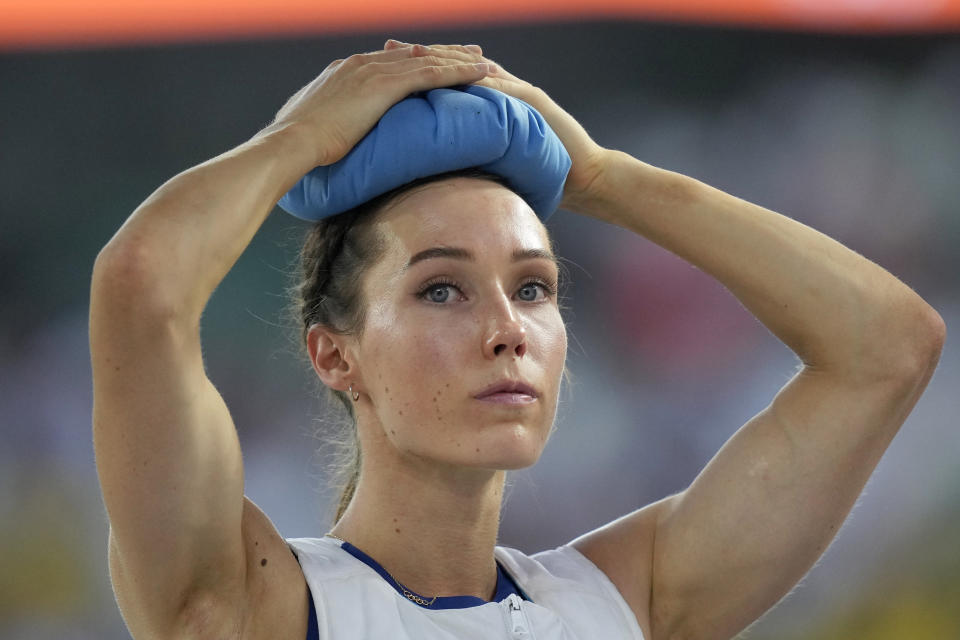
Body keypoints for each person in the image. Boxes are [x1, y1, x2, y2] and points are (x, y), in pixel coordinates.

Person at [89, 40, 944, 640]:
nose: (507, 329)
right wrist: (297, 142)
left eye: (533, 286)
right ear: (333, 354)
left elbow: (888, 346)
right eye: (441, 289)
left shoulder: (626, 603)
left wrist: (608, 178)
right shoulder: (254, 605)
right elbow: (141, 286)